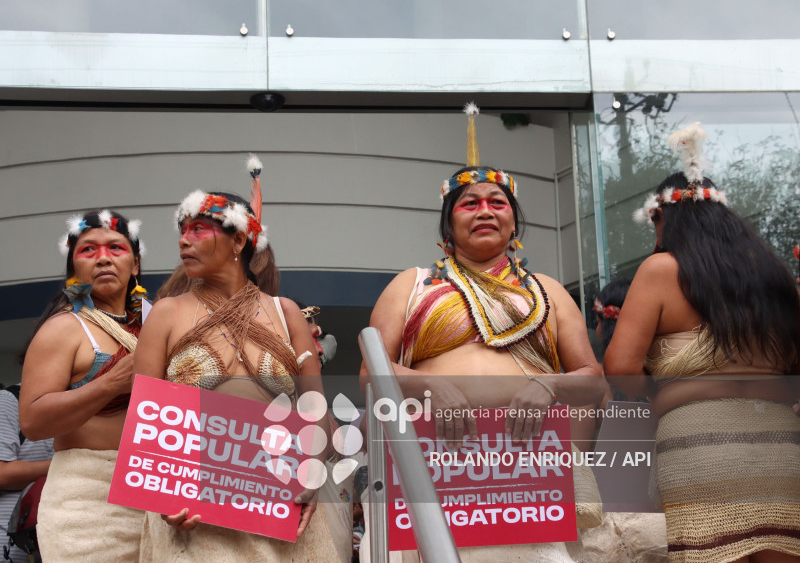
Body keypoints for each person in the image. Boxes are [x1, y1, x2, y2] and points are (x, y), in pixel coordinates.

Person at [360, 104, 604, 562]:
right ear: (449, 224)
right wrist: (430, 384)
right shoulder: (411, 284)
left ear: (514, 221)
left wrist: (547, 385)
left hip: (529, 470)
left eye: (498, 203)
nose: (485, 211)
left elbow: (595, 381)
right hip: (433, 465)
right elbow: (370, 376)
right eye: (470, 204)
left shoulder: (546, 291)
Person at [134, 156, 347, 562]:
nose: (184, 240)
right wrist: (163, 492)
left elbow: (313, 408)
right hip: (192, 504)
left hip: (281, 501)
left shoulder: (286, 314)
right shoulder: (167, 313)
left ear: (238, 241)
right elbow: (146, 412)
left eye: (199, 229)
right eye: (182, 231)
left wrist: (312, 471)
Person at [605, 123, 800, 563]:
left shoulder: (660, 270)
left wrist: (659, 390)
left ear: (661, 217)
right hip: (781, 444)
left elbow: (619, 366)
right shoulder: (776, 276)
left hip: (698, 442)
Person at [19, 209, 148, 562]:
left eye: (116, 249)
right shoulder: (64, 329)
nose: (103, 258)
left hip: (157, 492)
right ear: (74, 266)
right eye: (88, 250)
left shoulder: (158, 323)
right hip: (87, 503)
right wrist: (112, 384)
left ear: (135, 264)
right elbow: (32, 422)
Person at [0, 384, 53, 563]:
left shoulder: (103, 405)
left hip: (61, 540)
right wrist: (66, 464)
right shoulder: (10, 399)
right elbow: (2, 473)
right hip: (12, 545)